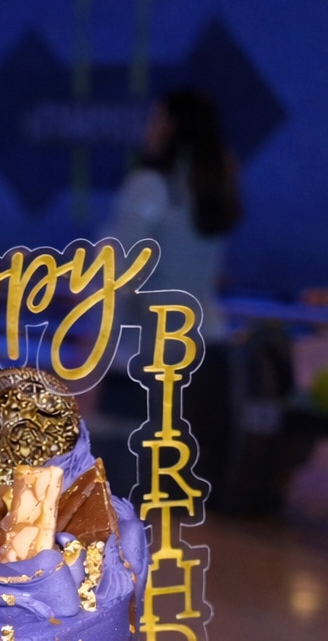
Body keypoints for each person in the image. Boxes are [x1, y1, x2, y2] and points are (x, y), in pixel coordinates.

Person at [101, 89, 241, 505]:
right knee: (190, 509)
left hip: (152, 364)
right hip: (209, 356)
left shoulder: (150, 186)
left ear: (173, 127)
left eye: (155, 119)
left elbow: (116, 272)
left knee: (130, 507)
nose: (149, 129)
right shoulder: (216, 187)